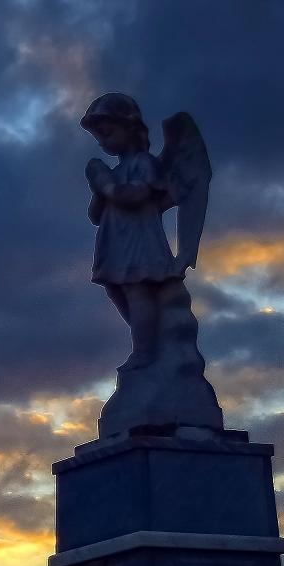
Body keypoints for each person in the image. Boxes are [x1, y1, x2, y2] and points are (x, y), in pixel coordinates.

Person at [82, 92, 185, 370]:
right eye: (99, 137)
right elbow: (94, 215)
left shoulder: (144, 163)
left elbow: (131, 197)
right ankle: (150, 338)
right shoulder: (115, 172)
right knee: (116, 290)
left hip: (138, 240)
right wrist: (100, 185)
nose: (103, 142)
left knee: (137, 290)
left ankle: (145, 350)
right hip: (115, 242)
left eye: (107, 133)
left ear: (129, 127)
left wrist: (103, 179)